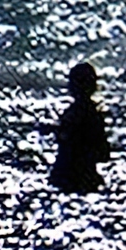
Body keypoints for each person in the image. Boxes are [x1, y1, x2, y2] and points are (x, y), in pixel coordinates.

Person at [49, 62, 111, 193]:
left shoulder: (69, 116)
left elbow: (64, 145)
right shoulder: (96, 116)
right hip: (87, 177)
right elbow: (104, 154)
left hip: (66, 175)